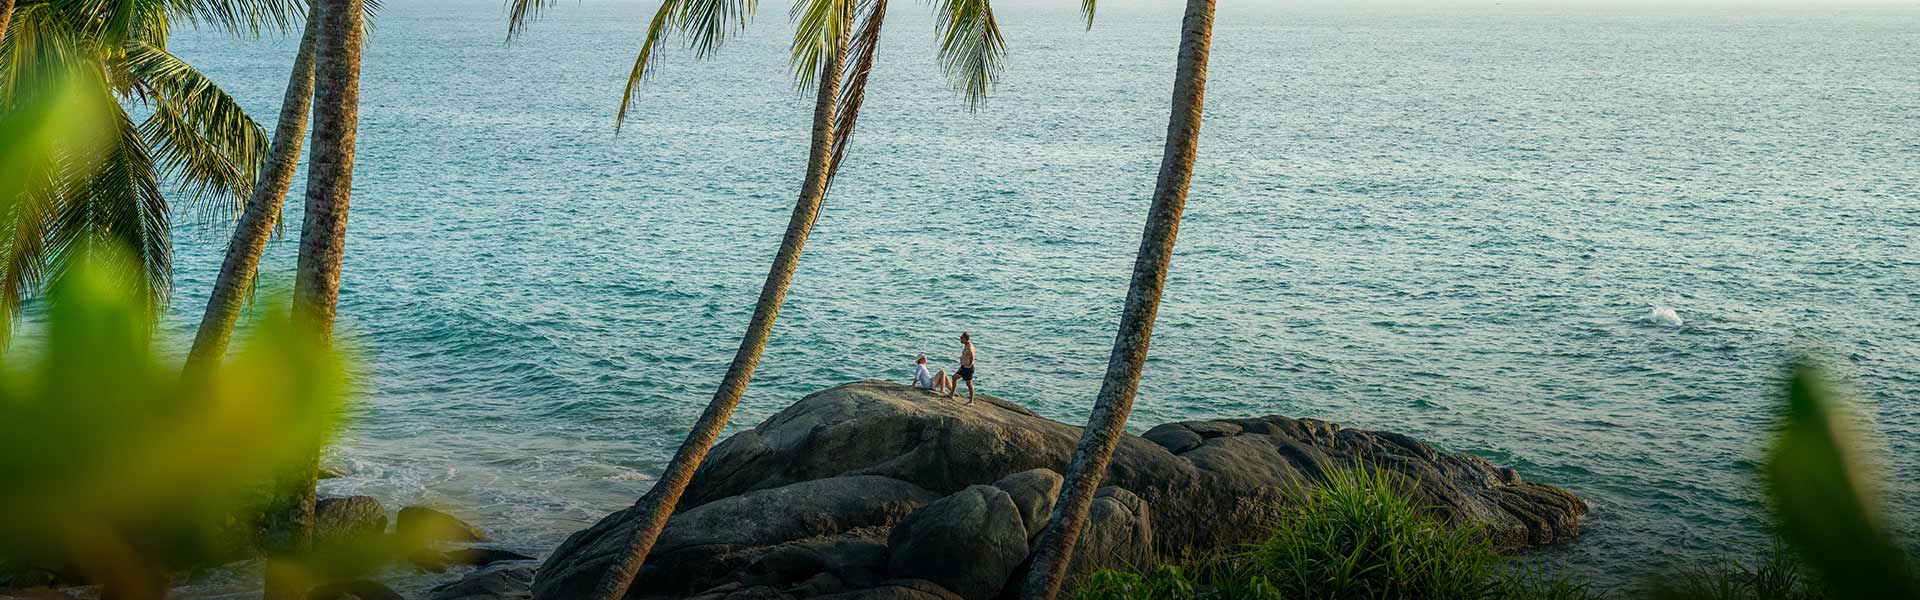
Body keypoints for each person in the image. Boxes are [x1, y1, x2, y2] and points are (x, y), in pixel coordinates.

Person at [954, 332, 977, 404]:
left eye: (961, 338)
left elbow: (972, 356)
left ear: (965, 338)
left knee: (969, 384)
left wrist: (969, 365)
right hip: (963, 367)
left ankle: (971, 401)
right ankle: (951, 394)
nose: (960, 339)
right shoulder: (966, 345)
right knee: (954, 377)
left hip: (967, 368)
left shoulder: (969, 346)